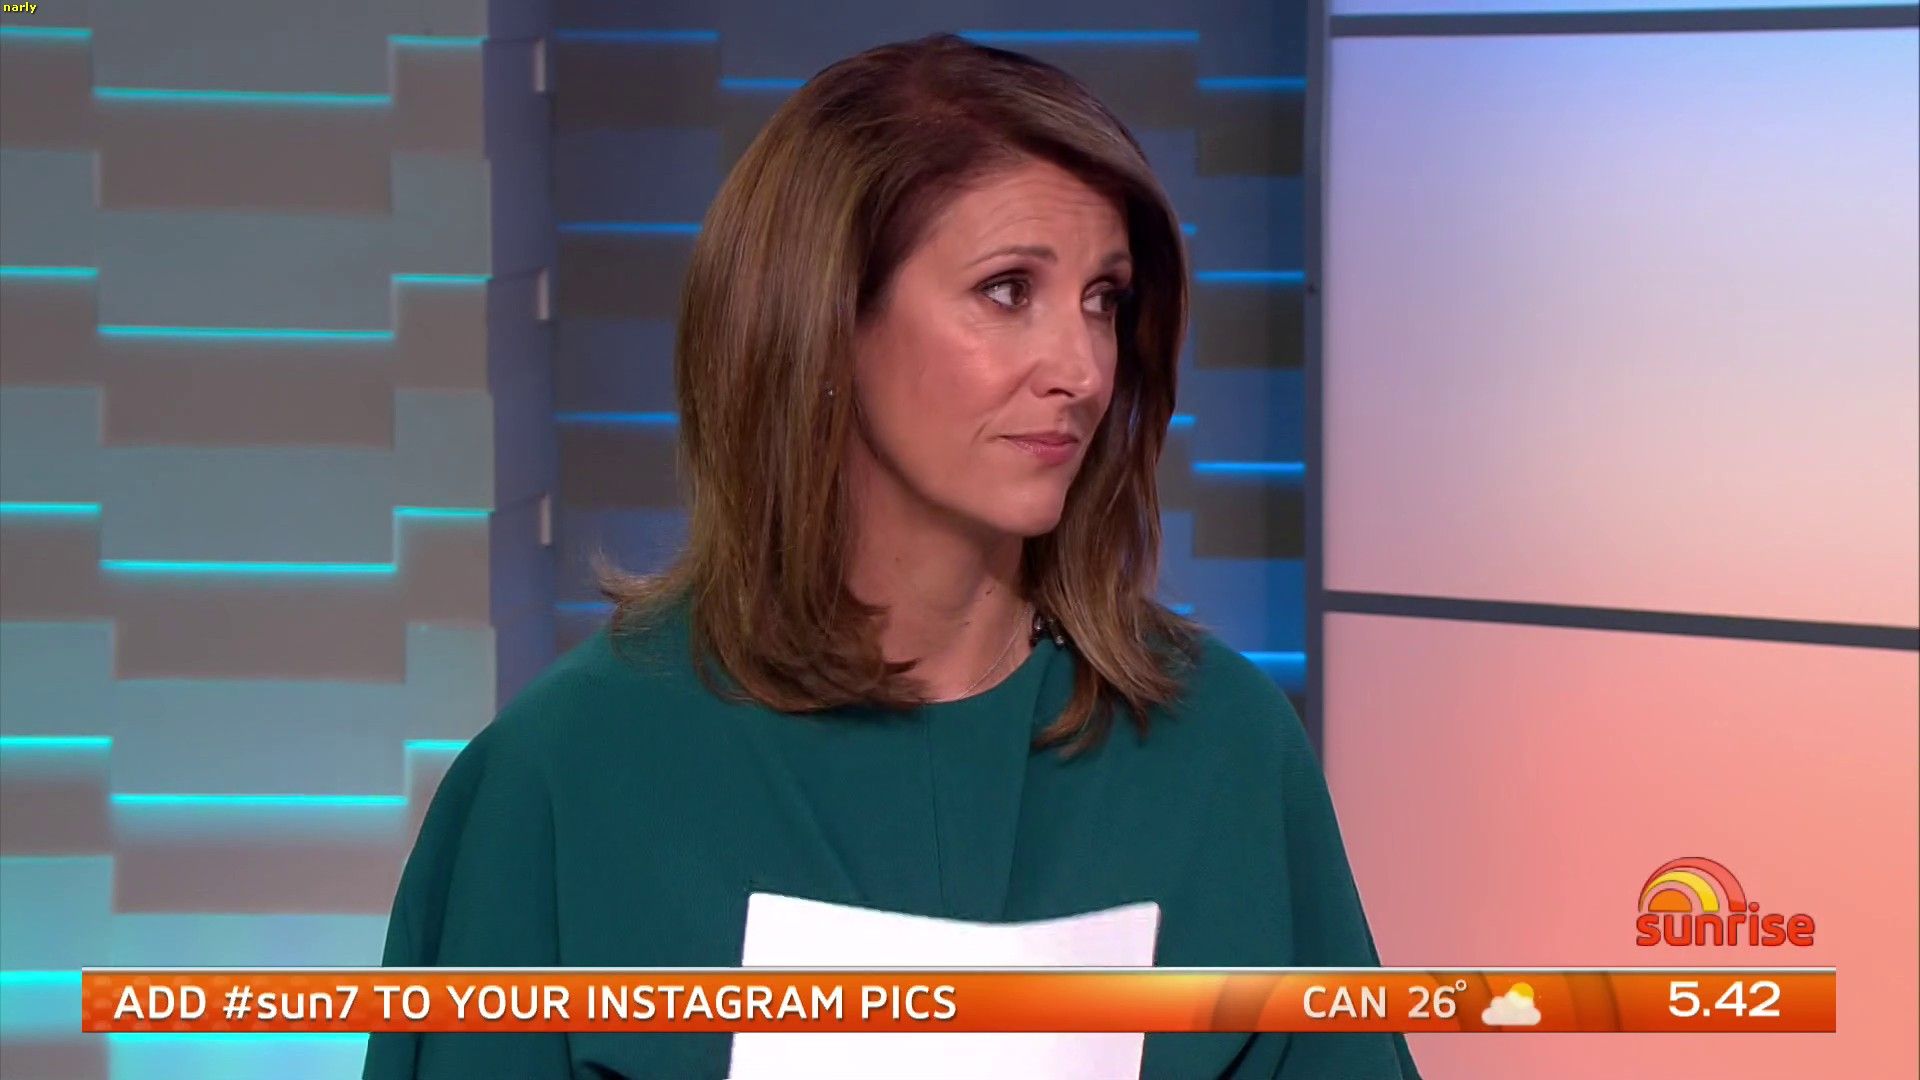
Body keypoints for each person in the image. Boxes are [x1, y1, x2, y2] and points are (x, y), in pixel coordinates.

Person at [364, 32, 1420, 1080]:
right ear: (826, 323)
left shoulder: (1223, 751)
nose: (1082, 368)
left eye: (1103, 300)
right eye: (1008, 290)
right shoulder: (567, 779)